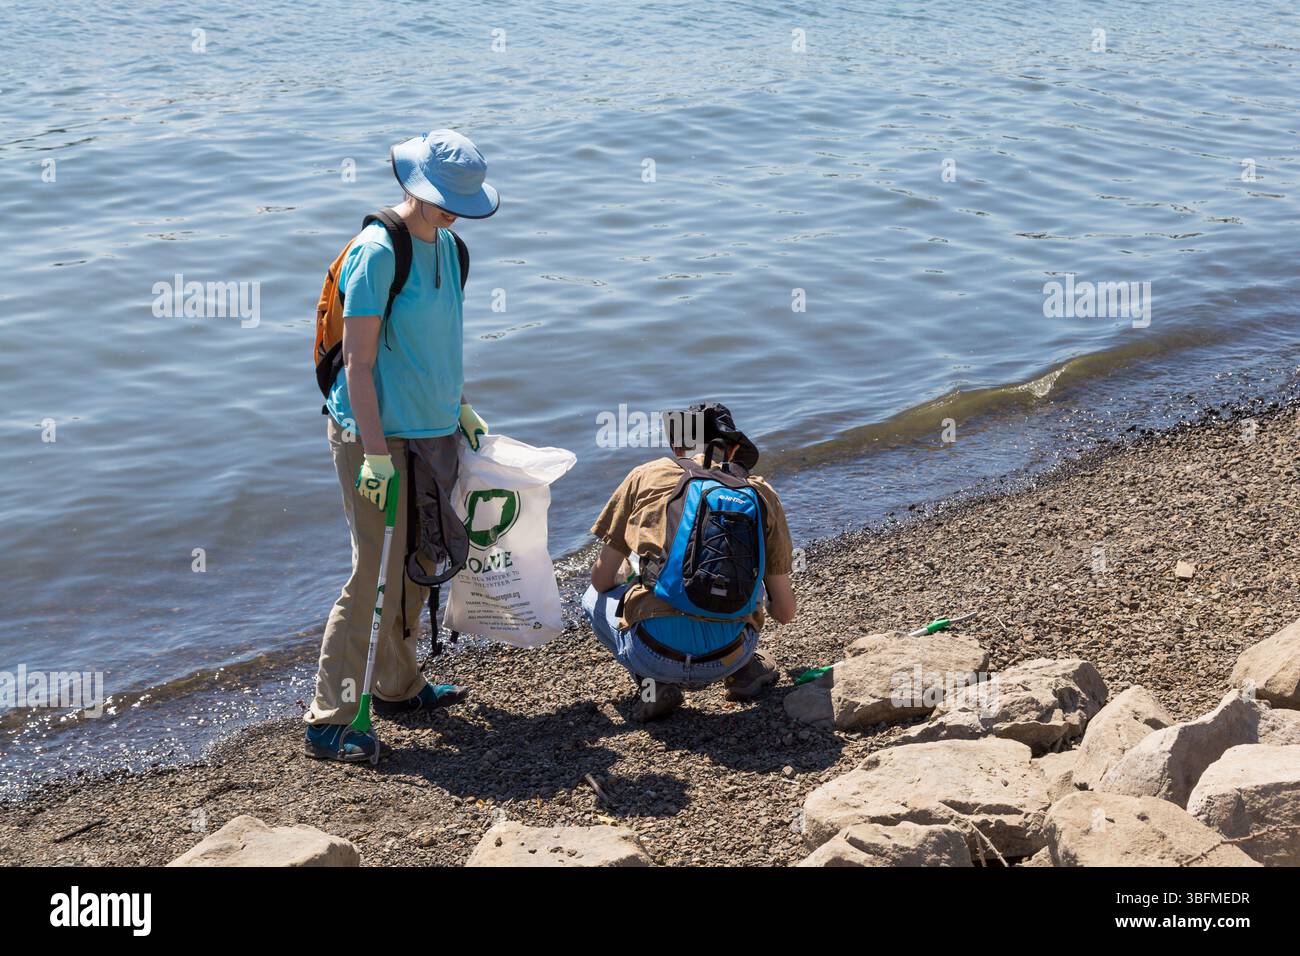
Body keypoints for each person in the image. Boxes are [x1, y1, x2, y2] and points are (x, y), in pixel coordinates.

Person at [304, 129, 499, 762]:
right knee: (373, 574)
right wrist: (377, 454)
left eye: (460, 204)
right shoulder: (377, 253)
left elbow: (438, 344)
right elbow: (359, 367)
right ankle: (329, 717)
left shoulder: (453, 249)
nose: (451, 212)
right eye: (444, 200)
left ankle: (393, 682)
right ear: (413, 185)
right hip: (374, 436)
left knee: (419, 560)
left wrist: (459, 406)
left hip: (433, 429)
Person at [582, 403, 797, 721]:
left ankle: (652, 687)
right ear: (734, 449)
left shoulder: (645, 476)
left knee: (591, 598)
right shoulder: (759, 493)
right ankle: (744, 672)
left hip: (653, 654)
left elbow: (601, 581)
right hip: (731, 654)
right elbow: (784, 612)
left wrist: (632, 572)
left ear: (676, 446)